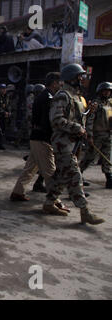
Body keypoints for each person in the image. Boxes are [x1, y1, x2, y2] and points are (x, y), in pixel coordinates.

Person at [44, 64, 105, 225]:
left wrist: (89, 112)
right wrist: (77, 127)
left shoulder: (77, 97)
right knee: (74, 175)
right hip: (62, 144)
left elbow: (78, 117)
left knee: (62, 177)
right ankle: (85, 211)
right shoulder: (62, 95)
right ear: (71, 78)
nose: (82, 79)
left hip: (73, 143)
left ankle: (49, 203)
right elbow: (56, 120)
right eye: (79, 76)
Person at [10, 73, 69, 207]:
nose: (61, 85)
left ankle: (17, 192)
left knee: (30, 168)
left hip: (37, 138)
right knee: (50, 171)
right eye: (60, 82)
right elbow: (48, 121)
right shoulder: (48, 98)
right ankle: (54, 201)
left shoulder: (45, 96)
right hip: (42, 138)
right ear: (54, 83)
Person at [80, 82, 112, 189]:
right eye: (105, 91)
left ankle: (109, 178)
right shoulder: (96, 104)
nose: (107, 93)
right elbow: (90, 120)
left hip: (108, 134)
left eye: (109, 91)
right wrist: (89, 135)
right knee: (90, 156)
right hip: (97, 135)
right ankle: (78, 174)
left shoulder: (110, 104)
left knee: (107, 156)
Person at [0, 83, 10, 150]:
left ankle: (1, 143)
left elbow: (8, 106)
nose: (4, 90)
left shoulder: (6, 97)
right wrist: (4, 112)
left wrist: (8, 112)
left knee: (3, 130)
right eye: (2, 89)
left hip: (5, 116)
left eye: (4, 89)